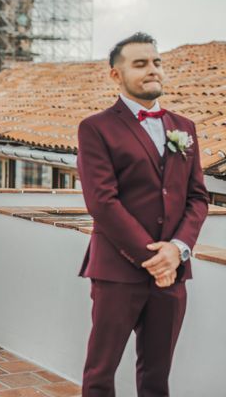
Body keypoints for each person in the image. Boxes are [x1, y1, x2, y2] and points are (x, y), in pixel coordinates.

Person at [77, 32, 209, 396]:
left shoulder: (185, 128)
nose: (153, 70)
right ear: (115, 75)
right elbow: (102, 202)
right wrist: (155, 259)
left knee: (156, 376)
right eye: (140, 64)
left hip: (173, 275)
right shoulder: (96, 128)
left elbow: (197, 198)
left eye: (156, 62)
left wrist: (177, 250)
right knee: (100, 375)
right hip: (118, 271)